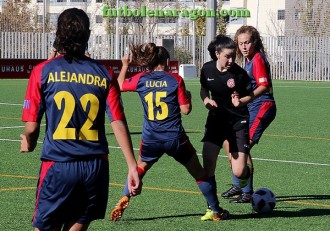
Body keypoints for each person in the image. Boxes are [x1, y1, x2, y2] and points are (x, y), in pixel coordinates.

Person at [20, 8, 141, 231]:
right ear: (87, 34)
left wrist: (28, 140)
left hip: (59, 165)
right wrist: (132, 166)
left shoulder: (43, 71)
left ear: (59, 34)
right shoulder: (104, 72)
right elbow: (117, 121)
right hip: (95, 167)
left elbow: (31, 127)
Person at [110, 42, 229, 222]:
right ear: (166, 61)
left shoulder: (141, 78)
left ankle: (124, 198)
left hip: (151, 139)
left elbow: (118, 86)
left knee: (138, 169)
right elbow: (186, 110)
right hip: (175, 138)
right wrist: (187, 96)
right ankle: (216, 210)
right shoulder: (175, 80)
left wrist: (125, 65)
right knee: (199, 173)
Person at [199, 35, 254, 220]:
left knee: (239, 171)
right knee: (207, 167)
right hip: (216, 121)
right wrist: (206, 100)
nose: (231, 60)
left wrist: (241, 101)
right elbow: (204, 88)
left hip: (238, 123)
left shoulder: (239, 74)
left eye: (233, 56)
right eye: (227, 56)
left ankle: (246, 176)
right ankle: (212, 208)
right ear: (217, 54)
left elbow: (251, 94)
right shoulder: (206, 69)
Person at [221, 25, 277, 203]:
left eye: (247, 42)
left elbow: (264, 86)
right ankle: (241, 185)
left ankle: (245, 190)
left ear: (255, 42)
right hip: (252, 107)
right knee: (229, 143)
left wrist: (244, 100)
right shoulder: (249, 60)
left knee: (241, 147)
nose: (244, 46)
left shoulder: (258, 59)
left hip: (262, 106)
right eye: (240, 43)